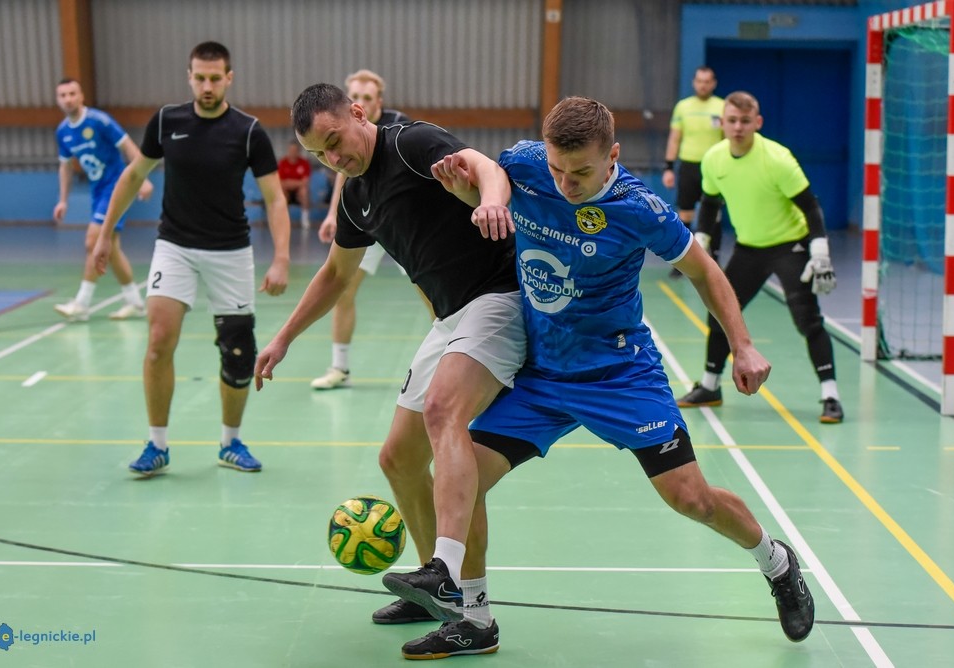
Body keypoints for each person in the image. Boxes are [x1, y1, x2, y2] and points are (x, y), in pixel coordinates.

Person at [394, 96, 815, 659]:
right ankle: (474, 617)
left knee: (691, 499)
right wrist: (468, 194)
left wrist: (742, 345)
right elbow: (487, 184)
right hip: (542, 375)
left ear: (612, 156)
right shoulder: (525, 164)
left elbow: (704, 270)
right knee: (464, 476)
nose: (565, 183)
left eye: (581, 172)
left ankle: (777, 562)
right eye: (557, 169)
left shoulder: (641, 209)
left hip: (619, 375)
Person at [253, 83, 524, 626]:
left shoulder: (409, 143)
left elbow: (485, 166)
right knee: (398, 459)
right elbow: (336, 274)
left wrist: (492, 201)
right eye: (319, 155)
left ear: (358, 113)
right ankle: (433, 591)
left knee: (443, 411)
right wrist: (283, 338)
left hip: (499, 299)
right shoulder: (355, 196)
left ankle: (450, 576)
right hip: (450, 317)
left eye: (334, 141)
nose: (333, 159)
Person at [91, 41, 291, 476]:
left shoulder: (249, 131)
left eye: (215, 78)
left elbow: (275, 199)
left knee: (238, 351)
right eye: (200, 78)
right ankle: (157, 445)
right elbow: (133, 175)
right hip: (175, 246)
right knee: (159, 339)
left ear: (229, 79)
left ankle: (230, 442)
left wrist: (281, 258)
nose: (207, 86)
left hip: (231, 251)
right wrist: (105, 235)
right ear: (189, 77)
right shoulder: (167, 121)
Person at [676, 91, 843, 424]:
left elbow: (811, 207)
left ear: (758, 122)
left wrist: (819, 252)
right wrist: (701, 240)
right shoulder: (714, 159)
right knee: (720, 312)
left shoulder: (778, 159)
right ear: (722, 123)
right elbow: (710, 203)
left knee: (808, 320)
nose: (738, 127)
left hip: (789, 246)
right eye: (732, 121)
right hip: (749, 248)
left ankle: (830, 396)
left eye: (745, 121)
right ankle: (710, 386)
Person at [311, 68, 433, 391]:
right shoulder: (343, 134)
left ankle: (451, 356)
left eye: (367, 97)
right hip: (365, 221)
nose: (361, 101)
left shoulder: (400, 126)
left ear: (378, 101)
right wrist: (332, 215)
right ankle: (339, 368)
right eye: (355, 96)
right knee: (343, 290)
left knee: (430, 292)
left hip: (400, 222)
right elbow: (343, 172)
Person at [52, 77, 154, 322]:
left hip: (116, 187)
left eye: (72, 94)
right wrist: (63, 200)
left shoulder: (99, 121)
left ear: (81, 96)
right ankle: (135, 303)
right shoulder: (63, 132)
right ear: (58, 100)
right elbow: (65, 167)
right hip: (97, 191)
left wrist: (142, 178)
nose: (68, 99)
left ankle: (82, 303)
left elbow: (128, 146)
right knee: (112, 248)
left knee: (93, 240)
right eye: (63, 95)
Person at [663, 66, 724, 275]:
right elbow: (674, 138)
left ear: (713, 83)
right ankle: (682, 264)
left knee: (714, 214)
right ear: (694, 83)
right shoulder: (683, 107)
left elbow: (727, 140)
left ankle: (714, 260)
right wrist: (669, 168)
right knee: (685, 214)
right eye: (699, 81)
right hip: (688, 167)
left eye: (707, 81)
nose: (703, 85)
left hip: (713, 168)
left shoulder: (722, 106)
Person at [278, 140, 313, 229]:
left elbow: (305, 182)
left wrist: (289, 182)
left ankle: (305, 219)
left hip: (299, 193)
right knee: (282, 192)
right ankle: (284, 220)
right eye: (291, 150)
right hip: (287, 193)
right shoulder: (282, 163)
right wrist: (297, 183)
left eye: (295, 150)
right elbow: (281, 183)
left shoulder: (304, 163)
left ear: (299, 151)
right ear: (288, 150)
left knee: (304, 191)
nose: (293, 152)